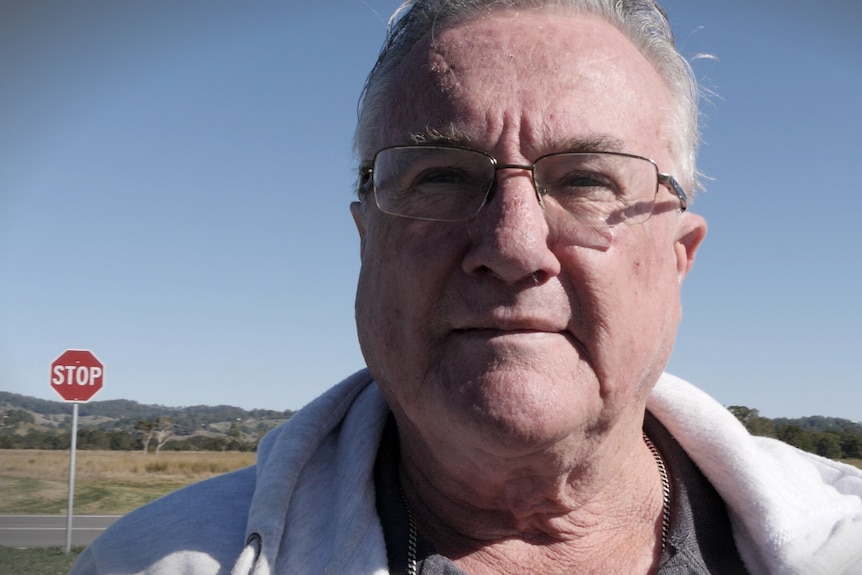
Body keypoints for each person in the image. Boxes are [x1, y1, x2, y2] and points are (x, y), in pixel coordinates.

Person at [71, 1, 862, 574]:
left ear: (679, 258)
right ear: (366, 245)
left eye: (586, 179)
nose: (513, 246)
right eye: (442, 177)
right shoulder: (150, 564)